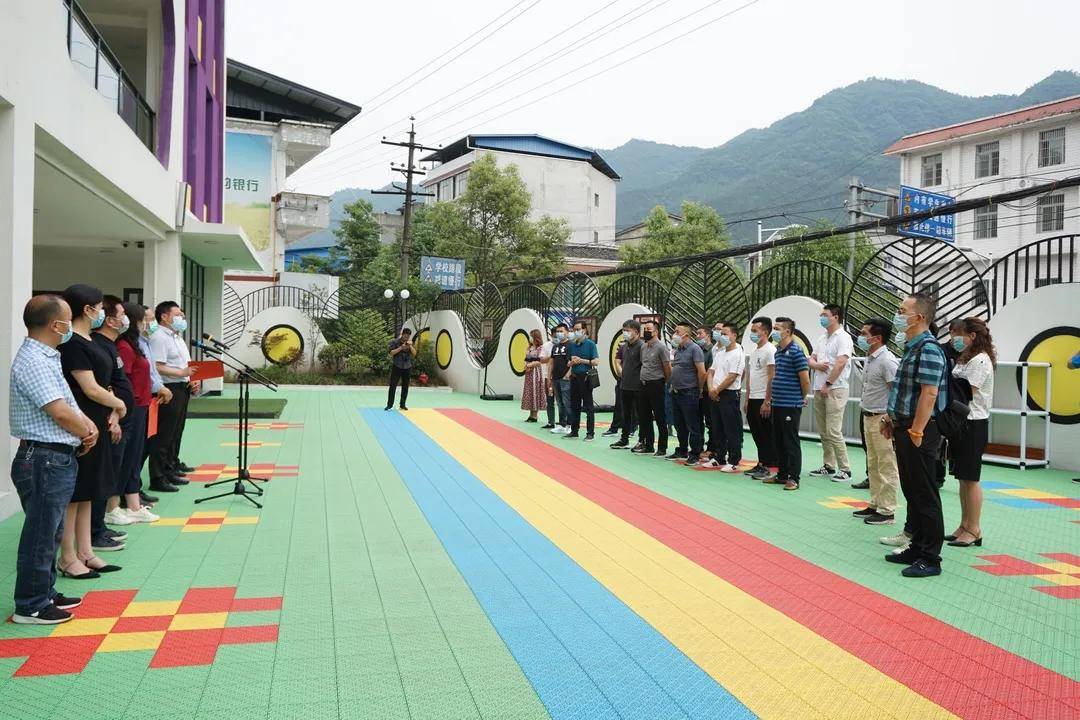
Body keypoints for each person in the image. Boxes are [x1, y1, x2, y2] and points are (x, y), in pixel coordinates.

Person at [9, 295, 96, 624]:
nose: (71, 326)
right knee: (41, 534)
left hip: (53, 457)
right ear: (55, 324)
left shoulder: (46, 356)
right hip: (44, 458)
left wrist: (84, 428)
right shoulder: (34, 360)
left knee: (52, 529)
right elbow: (58, 411)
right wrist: (87, 431)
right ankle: (30, 604)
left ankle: (44, 592)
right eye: (68, 319)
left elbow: (65, 404)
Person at [58, 284, 127, 579]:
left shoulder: (91, 340)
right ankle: (68, 557)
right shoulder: (72, 343)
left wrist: (112, 413)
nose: (101, 312)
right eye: (99, 307)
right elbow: (90, 388)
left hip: (99, 422)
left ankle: (86, 552)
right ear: (87, 310)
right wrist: (119, 404)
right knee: (74, 495)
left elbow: (106, 382)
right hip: (81, 427)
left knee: (88, 492)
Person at [881, 291, 950, 578]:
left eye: (902, 310)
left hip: (919, 429)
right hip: (905, 425)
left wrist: (917, 430)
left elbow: (929, 393)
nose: (897, 315)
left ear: (918, 317)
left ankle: (931, 558)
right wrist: (891, 417)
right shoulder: (912, 346)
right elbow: (904, 390)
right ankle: (917, 547)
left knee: (925, 492)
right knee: (912, 489)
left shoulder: (929, 349)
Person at [90, 296, 137, 551]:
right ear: (108, 319)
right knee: (102, 478)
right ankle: (95, 531)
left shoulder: (111, 345)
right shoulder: (97, 346)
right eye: (121, 314)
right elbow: (101, 388)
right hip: (110, 422)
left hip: (120, 419)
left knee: (110, 475)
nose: (124, 319)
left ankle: (100, 526)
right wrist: (116, 413)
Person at [947, 317, 996, 548]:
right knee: (962, 478)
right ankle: (964, 525)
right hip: (961, 423)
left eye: (958, 334)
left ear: (972, 336)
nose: (954, 339)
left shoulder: (980, 360)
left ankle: (974, 528)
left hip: (973, 424)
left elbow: (966, 390)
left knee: (971, 479)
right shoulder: (966, 358)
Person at [114, 302, 162, 523]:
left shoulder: (137, 344)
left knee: (135, 456)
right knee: (127, 457)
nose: (148, 323)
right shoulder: (124, 346)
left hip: (143, 405)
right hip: (132, 408)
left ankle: (134, 504)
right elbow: (124, 380)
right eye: (144, 319)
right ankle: (117, 506)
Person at [850, 319, 900, 526]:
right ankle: (875, 503)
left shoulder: (887, 360)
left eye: (864, 333)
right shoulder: (871, 358)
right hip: (868, 415)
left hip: (881, 418)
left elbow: (895, 392)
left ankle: (887, 510)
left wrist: (890, 418)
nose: (860, 337)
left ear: (877, 338)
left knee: (886, 463)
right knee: (873, 462)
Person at [148, 301, 196, 492]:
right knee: (164, 434)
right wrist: (182, 373)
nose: (181, 318)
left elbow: (185, 363)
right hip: (169, 388)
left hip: (181, 387)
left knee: (176, 431)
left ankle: (171, 467)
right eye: (177, 315)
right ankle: (158, 476)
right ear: (165, 317)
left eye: (182, 315)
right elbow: (157, 366)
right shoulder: (159, 337)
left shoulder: (176, 336)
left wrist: (192, 378)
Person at [808, 304, 854, 482]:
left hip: (835, 388)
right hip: (820, 388)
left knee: (834, 430)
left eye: (825, 315)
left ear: (835, 317)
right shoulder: (822, 338)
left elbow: (841, 363)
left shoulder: (843, 338)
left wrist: (828, 382)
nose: (822, 318)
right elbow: (811, 358)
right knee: (823, 430)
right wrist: (816, 365)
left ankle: (845, 469)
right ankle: (829, 465)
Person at [763, 317, 810, 490]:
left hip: (791, 404)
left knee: (791, 441)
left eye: (777, 328)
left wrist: (800, 397)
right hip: (778, 403)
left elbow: (805, 380)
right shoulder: (777, 351)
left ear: (788, 332)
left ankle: (794, 478)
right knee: (779, 440)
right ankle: (782, 475)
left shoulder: (796, 351)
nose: (774, 331)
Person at [136, 307, 170, 503]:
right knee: (140, 447)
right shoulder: (133, 344)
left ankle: (135, 489)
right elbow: (149, 373)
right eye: (148, 319)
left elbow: (152, 372)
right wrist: (160, 386)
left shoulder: (146, 342)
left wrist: (160, 386)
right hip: (144, 397)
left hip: (154, 395)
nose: (151, 323)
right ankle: (131, 492)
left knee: (147, 443)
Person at [702, 322, 745, 471]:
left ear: (734, 335)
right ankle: (719, 457)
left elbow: (732, 376)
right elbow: (711, 372)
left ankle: (733, 460)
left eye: (726, 333)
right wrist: (710, 389)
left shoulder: (738, 353)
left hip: (728, 395)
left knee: (731, 429)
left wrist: (717, 390)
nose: (722, 336)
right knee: (717, 427)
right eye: (722, 333)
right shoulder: (720, 353)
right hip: (714, 393)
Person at [742, 317, 777, 479]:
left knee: (765, 433)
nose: (752, 333)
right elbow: (750, 377)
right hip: (754, 398)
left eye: (755, 330)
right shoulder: (755, 351)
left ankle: (768, 465)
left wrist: (767, 401)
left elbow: (772, 377)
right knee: (756, 433)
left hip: (764, 398)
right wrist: (747, 399)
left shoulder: (770, 350)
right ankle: (762, 462)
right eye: (752, 330)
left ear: (765, 332)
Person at [668, 322, 706, 462]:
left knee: (693, 425)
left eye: (678, 332)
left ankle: (695, 453)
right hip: (676, 392)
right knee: (679, 424)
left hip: (689, 392)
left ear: (686, 335)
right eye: (675, 331)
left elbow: (702, 372)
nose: (675, 334)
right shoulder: (678, 349)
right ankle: (682, 450)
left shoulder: (695, 349)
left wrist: (700, 389)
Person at [635, 321, 671, 456]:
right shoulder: (643, 347)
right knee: (644, 416)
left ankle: (662, 447)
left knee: (660, 416)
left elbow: (668, 368)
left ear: (656, 332)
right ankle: (648, 445)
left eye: (649, 329)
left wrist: (664, 382)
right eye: (645, 329)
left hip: (656, 384)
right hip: (643, 384)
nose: (646, 332)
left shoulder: (661, 347)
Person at [611, 320, 643, 450]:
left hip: (638, 386)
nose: (625, 333)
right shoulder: (624, 346)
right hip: (624, 385)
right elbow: (617, 360)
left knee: (640, 415)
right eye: (624, 330)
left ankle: (642, 440)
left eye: (627, 330)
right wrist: (619, 367)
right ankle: (624, 439)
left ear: (636, 332)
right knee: (625, 414)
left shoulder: (642, 346)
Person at [565, 321, 599, 440]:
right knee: (574, 405)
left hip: (585, 377)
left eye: (578, 329)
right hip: (574, 377)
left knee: (588, 406)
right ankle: (574, 431)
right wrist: (572, 362)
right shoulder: (571, 345)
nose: (576, 331)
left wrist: (582, 360)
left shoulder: (590, 344)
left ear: (584, 330)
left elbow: (596, 362)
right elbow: (568, 362)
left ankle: (590, 433)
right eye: (574, 329)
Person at [548, 324, 572, 435]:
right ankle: (562, 424)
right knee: (559, 402)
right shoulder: (555, 346)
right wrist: (549, 376)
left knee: (567, 402)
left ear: (567, 332)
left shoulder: (571, 345)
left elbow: (572, 362)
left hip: (566, 379)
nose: (559, 333)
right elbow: (551, 362)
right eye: (557, 331)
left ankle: (570, 424)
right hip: (555, 378)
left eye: (561, 331)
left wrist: (567, 375)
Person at [696, 325, 715, 451]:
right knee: (697, 421)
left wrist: (702, 388)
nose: (697, 336)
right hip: (697, 390)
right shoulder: (697, 350)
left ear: (708, 335)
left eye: (700, 333)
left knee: (710, 422)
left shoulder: (713, 351)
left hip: (707, 391)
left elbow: (708, 372)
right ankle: (698, 446)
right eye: (696, 334)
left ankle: (712, 448)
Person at [386, 328, 414, 411]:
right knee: (393, 386)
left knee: (405, 386)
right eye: (405, 335)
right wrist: (401, 348)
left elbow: (415, 353)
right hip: (397, 366)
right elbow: (391, 353)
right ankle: (389, 405)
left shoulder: (410, 343)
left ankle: (403, 404)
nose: (407, 337)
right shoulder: (395, 342)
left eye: (408, 336)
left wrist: (410, 346)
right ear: (402, 334)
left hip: (407, 367)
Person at [521, 329, 546, 422]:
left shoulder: (540, 348)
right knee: (529, 391)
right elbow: (527, 359)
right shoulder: (529, 348)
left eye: (531, 336)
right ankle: (531, 414)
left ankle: (535, 415)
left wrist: (530, 365)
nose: (530, 338)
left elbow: (540, 361)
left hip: (535, 372)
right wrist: (526, 366)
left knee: (535, 391)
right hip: (529, 372)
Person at [539, 328, 555, 429]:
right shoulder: (546, 345)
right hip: (548, 377)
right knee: (550, 399)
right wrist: (552, 357)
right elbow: (542, 360)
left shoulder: (566, 345)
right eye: (555, 334)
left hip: (561, 377)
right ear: (551, 335)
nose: (557, 336)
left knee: (563, 400)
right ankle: (551, 421)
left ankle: (565, 422)